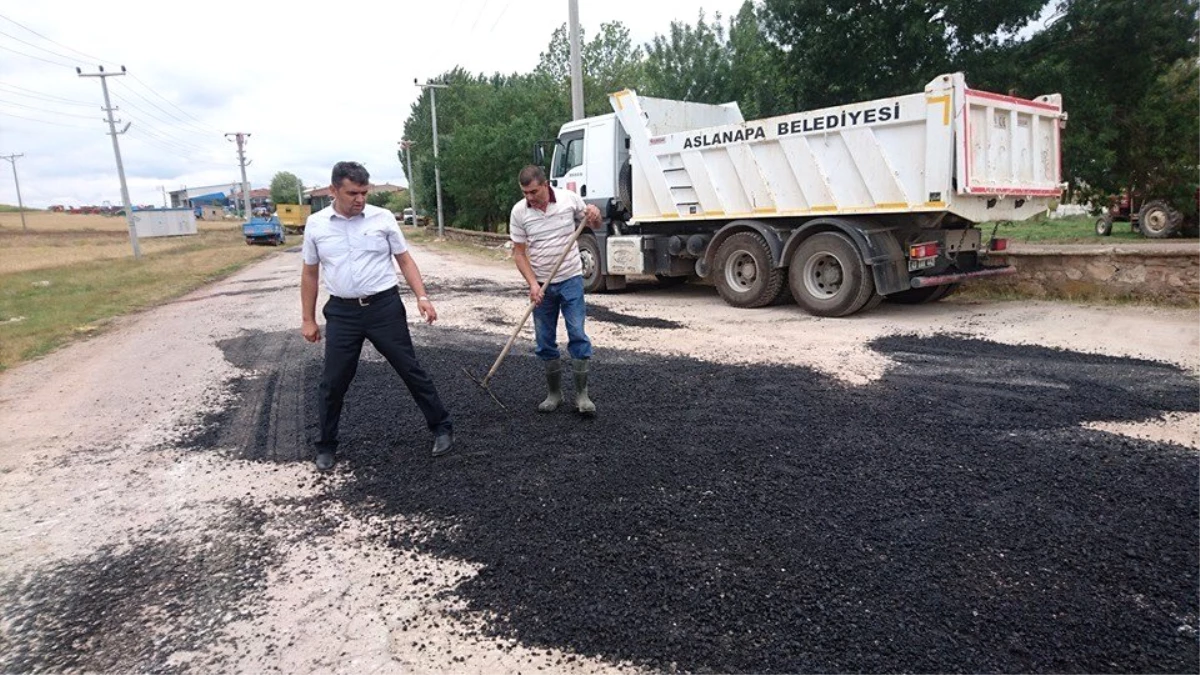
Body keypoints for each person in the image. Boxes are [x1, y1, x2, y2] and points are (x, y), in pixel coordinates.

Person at [300, 161, 453, 471]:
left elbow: (405, 261)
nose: (360, 199)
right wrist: (308, 318)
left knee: (410, 369)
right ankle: (326, 446)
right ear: (333, 191)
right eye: (352, 193)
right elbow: (310, 274)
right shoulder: (316, 225)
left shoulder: (382, 219)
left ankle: (442, 428)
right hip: (342, 313)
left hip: (384, 308)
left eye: (364, 192)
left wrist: (422, 297)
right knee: (332, 382)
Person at [509, 165, 602, 416]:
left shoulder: (568, 200)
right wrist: (532, 284)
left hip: (571, 278)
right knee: (544, 339)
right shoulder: (519, 212)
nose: (529, 197)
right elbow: (519, 254)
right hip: (542, 284)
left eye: (533, 191)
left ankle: (582, 396)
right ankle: (554, 394)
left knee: (577, 333)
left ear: (546, 184)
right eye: (525, 192)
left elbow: (594, 221)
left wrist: (593, 213)